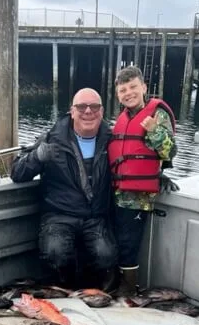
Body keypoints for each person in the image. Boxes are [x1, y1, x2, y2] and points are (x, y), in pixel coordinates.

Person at [11, 88, 118, 290]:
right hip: (58, 214)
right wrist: (36, 157)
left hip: (96, 216)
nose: (88, 111)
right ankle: (61, 296)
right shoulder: (51, 138)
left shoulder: (112, 139)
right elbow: (17, 172)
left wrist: (159, 174)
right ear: (71, 111)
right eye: (81, 107)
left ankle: (97, 297)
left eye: (94, 106)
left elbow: (133, 162)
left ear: (102, 111)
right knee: (55, 253)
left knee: (106, 256)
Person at [108, 66, 179, 295]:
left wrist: (154, 130)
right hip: (117, 190)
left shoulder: (157, 114)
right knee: (115, 239)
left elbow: (170, 152)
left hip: (138, 197)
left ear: (144, 87)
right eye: (122, 90)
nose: (128, 93)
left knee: (129, 244)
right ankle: (114, 283)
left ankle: (128, 290)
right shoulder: (122, 118)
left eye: (133, 87)